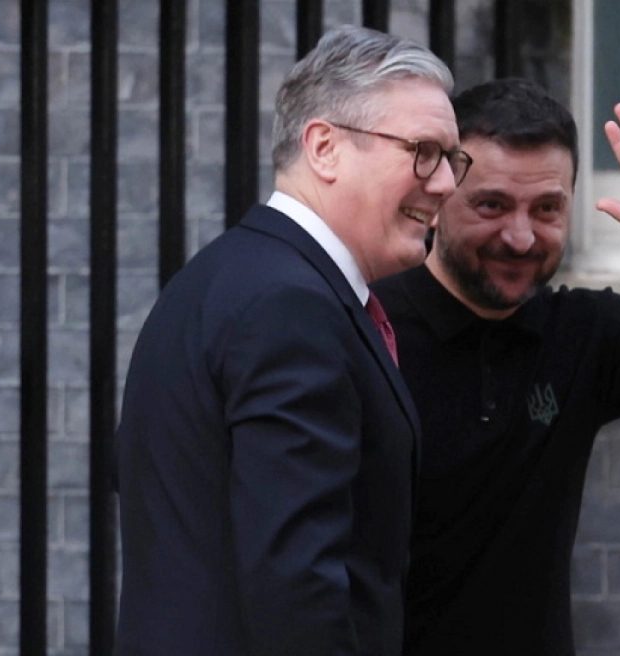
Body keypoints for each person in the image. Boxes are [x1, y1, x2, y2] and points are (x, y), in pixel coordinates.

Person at [371, 78, 620, 655]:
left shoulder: (583, 334)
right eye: (492, 205)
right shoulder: (364, 326)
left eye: (547, 209)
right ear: (439, 197)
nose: (520, 237)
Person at [113, 26, 472, 656]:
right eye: (423, 151)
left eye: (450, 159)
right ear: (324, 148)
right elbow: (296, 585)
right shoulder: (291, 307)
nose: (444, 182)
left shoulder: (232, 275)